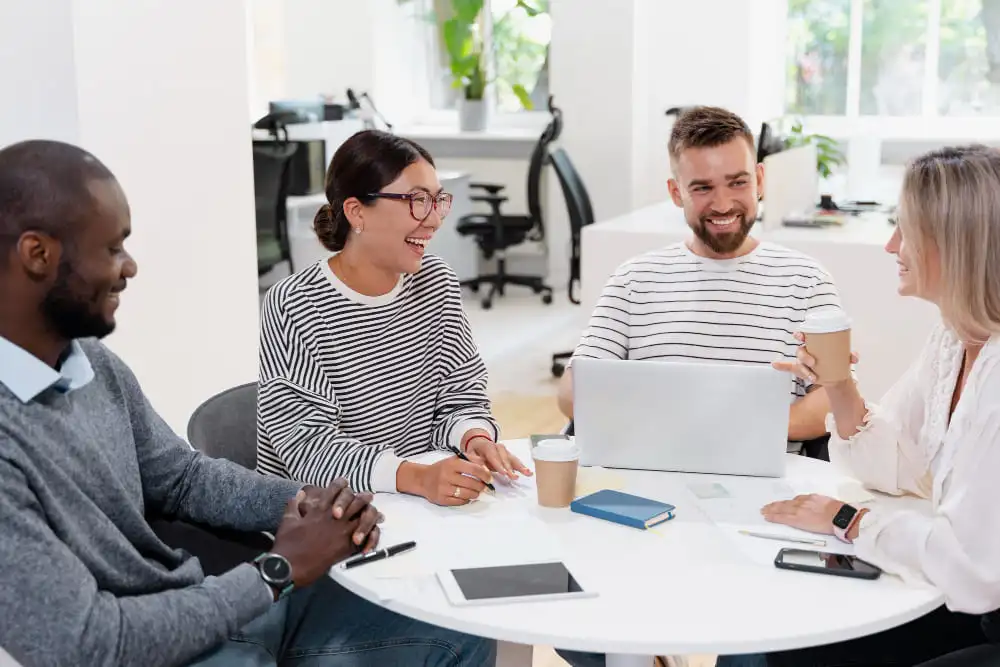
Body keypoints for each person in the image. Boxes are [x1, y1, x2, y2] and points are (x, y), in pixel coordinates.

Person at [0, 139, 495, 667]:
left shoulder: (96, 366)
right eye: (112, 248)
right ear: (38, 255)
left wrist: (308, 506)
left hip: (216, 603)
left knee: (462, 629)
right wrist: (275, 571)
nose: (130, 267)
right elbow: (93, 645)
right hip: (161, 642)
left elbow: (185, 479)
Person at [756, 144, 1000, 665]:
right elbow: (894, 469)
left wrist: (847, 519)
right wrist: (839, 383)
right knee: (790, 640)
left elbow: (972, 571)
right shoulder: (953, 341)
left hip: (984, 614)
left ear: (954, 245)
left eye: (904, 229)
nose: (892, 246)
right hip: (964, 597)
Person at [257, 129, 531, 505]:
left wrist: (475, 437)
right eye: (417, 201)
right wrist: (417, 477)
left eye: (438, 201)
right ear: (356, 212)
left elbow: (461, 395)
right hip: (323, 518)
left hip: (417, 505)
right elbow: (308, 449)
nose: (434, 220)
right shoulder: (294, 304)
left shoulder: (436, 282)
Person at [557, 106, 841, 458]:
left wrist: (707, 427)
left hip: (771, 484)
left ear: (760, 180)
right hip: (648, 470)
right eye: (703, 188)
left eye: (738, 182)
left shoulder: (807, 281)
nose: (723, 204)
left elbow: (835, 400)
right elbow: (572, 393)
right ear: (676, 193)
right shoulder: (634, 280)